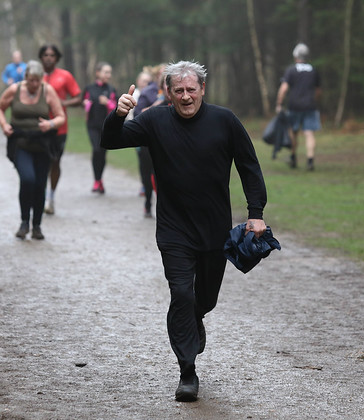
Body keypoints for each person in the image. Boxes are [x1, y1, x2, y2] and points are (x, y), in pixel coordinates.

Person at [101, 60, 267, 402]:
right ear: (168, 93)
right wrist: (119, 114)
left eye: (192, 89)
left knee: (203, 299)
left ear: (203, 90)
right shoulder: (154, 119)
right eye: (179, 90)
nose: (187, 96)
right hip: (174, 230)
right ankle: (187, 372)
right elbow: (110, 141)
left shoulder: (225, 121)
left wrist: (256, 214)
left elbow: (249, 167)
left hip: (214, 230)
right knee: (182, 294)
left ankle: (195, 319)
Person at [0, 60, 66, 240]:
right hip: (20, 143)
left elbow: (61, 117)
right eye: (31, 80)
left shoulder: (47, 91)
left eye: (37, 81)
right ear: (25, 77)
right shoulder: (14, 90)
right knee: (27, 179)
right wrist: (4, 125)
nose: (34, 84)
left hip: (42, 145)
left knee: (40, 184)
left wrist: (50, 124)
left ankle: (37, 226)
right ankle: (24, 221)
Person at [39, 44, 82, 215]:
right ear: (41, 57)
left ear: (57, 58)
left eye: (52, 55)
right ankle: (39, 196)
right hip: (39, 126)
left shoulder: (65, 76)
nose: (49, 58)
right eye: (45, 55)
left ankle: (51, 197)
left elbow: (78, 97)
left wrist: (63, 103)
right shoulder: (35, 76)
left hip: (59, 127)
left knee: (55, 162)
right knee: (39, 162)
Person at [275, 43, 321, 171]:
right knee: (309, 133)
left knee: (293, 133)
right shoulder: (313, 70)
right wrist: (315, 101)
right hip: (310, 106)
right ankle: (310, 160)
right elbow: (318, 91)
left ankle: (293, 158)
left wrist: (279, 104)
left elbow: (284, 89)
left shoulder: (291, 69)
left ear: (296, 56)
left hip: (294, 106)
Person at [82, 61, 117, 194]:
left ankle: (99, 180)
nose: (108, 75)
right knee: (96, 149)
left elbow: (117, 107)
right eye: (106, 72)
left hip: (106, 126)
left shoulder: (111, 89)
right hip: (92, 125)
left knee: (102, 153)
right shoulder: (89, 88)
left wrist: (107, 102)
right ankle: (97, 180)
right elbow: (83, 102)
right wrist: (86, 104)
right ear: (98, 73)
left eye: (109, 72)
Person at [132, 69, 157, 217]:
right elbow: (136, 114)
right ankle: (148, 200)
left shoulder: (172, 95)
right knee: (146, 171)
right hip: (142, 139)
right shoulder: (141, 94)